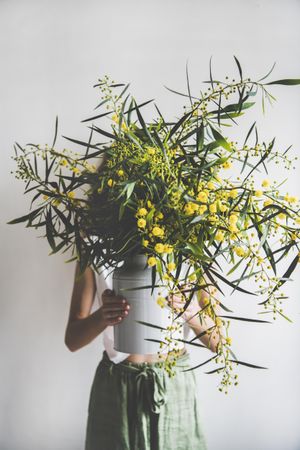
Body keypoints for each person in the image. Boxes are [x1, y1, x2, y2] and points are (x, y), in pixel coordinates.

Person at [64, 156, 225, 450]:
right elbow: (72, 339)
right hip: (116, 387)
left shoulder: (193, 244)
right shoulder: (92, 243)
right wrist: (104, 316)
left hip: (175, 386)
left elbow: (220, 342)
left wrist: (189, 310)